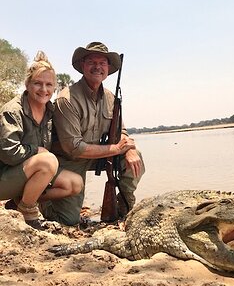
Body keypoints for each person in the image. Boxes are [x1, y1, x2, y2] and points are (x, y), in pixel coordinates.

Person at [40, 42, 145, 227]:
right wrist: (115, 149)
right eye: (91, 61)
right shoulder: (67, 98)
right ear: (82, 65)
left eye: (102, 62)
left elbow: (121, 131)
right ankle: (39, 200)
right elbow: (73, 149)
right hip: (69, 159)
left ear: (108, 68)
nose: (97, 67)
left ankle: (125, 208)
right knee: (67, 220)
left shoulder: (112, 98)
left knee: (136, 157)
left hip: (98, 155)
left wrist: (128, 150)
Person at [0, 51, 84, 230]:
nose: (43, 90)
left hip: (25, 175)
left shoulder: (51, 111)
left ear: (55, 87)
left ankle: (19, 203)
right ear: (27, 84)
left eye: (49, 84)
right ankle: (28, 213)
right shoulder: (12, 111)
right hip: (3, 177)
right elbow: (9, 154)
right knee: (48, 160)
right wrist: (36, 150)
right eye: (37, 83)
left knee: (75, 183)